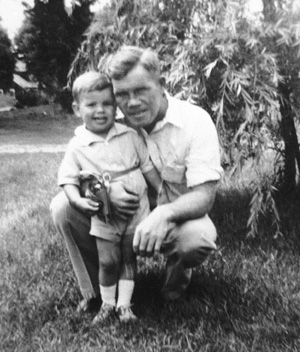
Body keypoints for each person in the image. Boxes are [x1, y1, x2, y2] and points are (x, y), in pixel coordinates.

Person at [50, 45, 223, 314]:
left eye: (140, 90)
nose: (131, 102)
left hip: (175, 213)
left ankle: (173, 287)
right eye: (122, 95)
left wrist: (163, 213)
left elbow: (204, 196)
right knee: (62, 207)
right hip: (122, 211)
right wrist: (104, 191)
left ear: (161, 84)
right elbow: (82, 164)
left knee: (197, 238)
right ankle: (98, 291)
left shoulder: (195, 122)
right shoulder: (112, 120)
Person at [57, 71, 162, 323]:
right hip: (104, 213)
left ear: (116, 107)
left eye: (107, 103)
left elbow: (148, 168)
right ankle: (106, 303)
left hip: (136, 210)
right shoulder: (78, 145)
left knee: (128, 258)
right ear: (76, 109)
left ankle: (124, 306)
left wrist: (163, 195)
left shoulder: (129, 135)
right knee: (108, 261)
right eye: (91, 104)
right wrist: (77, 200)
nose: (100, 110)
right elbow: (68, 180)